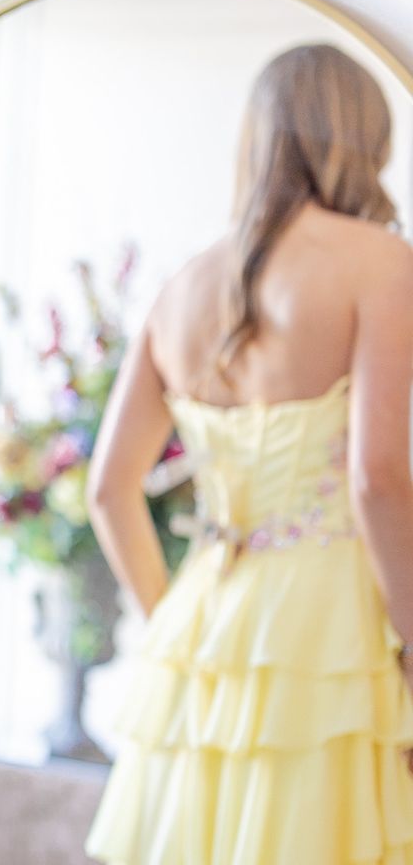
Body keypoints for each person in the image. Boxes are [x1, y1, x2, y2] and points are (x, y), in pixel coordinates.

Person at [84, 42, 413, 863]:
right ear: (364, 138)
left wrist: (170, 623)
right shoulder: (379, 262)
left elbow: (107, 491)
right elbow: (377, 480)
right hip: (327, 628)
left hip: (205, 623)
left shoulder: (182, 285)